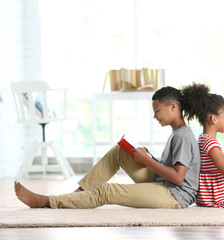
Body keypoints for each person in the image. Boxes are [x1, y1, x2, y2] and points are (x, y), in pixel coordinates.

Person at [14, 86, 201, 209]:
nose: (155, 116)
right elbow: (173, 169)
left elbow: (178, 177)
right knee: (120, 151)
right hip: (164, 183)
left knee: (107, 191)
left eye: (157, 111)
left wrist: (148, 161)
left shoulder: (182, 136)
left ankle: (47, 201)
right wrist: (150, 157)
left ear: (174, 107)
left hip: (174, 196)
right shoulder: (178, 133)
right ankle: (79, 195)